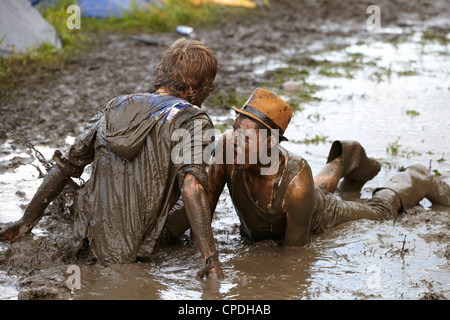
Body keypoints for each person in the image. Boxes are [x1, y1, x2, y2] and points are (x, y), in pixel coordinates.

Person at [0, 39, 223, 279]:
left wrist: (27, 219)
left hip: (89, 236)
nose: (209, 92)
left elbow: (66, 166)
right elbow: (191, 189)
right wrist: (211, 258)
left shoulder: (114, 106)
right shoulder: (194, 119)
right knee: (205, 181)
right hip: (138, 248)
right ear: (192, 87)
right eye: (208, 87)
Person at [159, 87, 450, 248]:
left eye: (246, 137)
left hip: (318, 212)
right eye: (235, 129)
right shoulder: (227, 151)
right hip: (301, 192)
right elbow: (202, 208)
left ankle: (416, 177)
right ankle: (346, 158)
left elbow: (294, 257)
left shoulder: (295, 182)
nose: (234, 140)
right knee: (315, 187)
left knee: (380, 213)